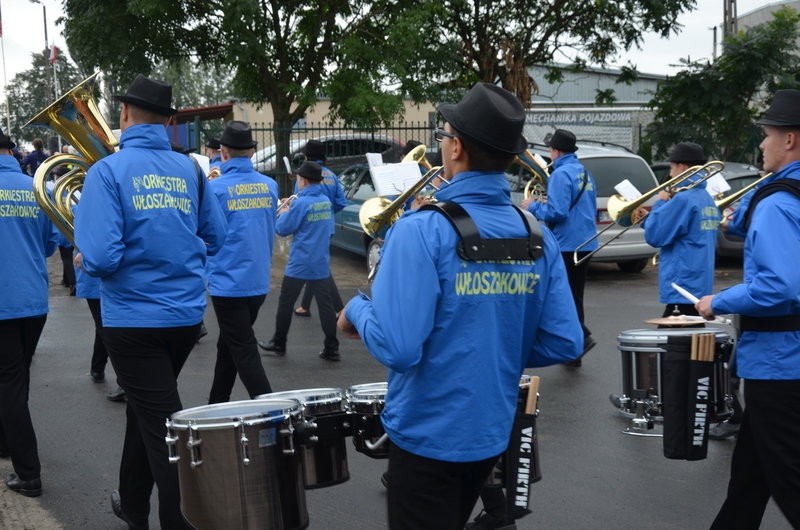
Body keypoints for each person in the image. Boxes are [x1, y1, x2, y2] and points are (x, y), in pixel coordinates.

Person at [337, 82, 582, 529]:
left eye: (444, 135)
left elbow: (400, 348)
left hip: (427, 435)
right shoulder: (536, 235)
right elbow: (565, 340)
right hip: (491, 431)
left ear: (457, 149)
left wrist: (356, 310)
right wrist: (491, 349)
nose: (443, 143)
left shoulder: (419, 230)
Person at [74, 74, 227, 529]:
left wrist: (83, 257)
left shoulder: (107, 171)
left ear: (123, 115)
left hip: (132, 322)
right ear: (170, 121)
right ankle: (135, 508)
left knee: (167, 437)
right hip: (184, 318)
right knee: (146, 413)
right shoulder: (190, 169)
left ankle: (181, 520)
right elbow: (215, 237)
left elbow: (101, 257)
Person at [697, 89, 800, 529]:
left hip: (781, 362)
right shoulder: (782, 196)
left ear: (791, 140)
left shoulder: (779, 203)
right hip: (787, 358)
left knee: (789, 481)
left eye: (767, 135)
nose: (761, 144)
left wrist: (716, 301)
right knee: (750, 477)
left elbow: (778, 285)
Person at [0, 128, 58, 498]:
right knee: (16, 378)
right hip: (34, 301)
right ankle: (7, 442)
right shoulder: (36, 187)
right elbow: (52, 245)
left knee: (9, 384)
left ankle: (29, 473)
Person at [206, 121, 277, 403]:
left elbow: (206, 234)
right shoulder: (269, 185)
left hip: (228, 283)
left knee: (243, 350)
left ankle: (276, 415)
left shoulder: (215, 189)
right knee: (230, 347)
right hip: (257, 282)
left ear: (222, 153)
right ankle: (216, 403)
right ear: (251, 152)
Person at [521, 128, 597, 366]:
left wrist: (532, 206)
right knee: (576, 295)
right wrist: (546, 202)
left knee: (565, 296)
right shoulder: (584, 173)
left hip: (566, 243)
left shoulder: (560, 174)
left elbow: (558, 213)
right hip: (586, 241)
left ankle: (581, 339)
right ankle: (575, 352)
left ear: (554, 151)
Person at [259, 161, 340, 361]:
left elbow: (282, 229)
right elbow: (329, 230)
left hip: (300, 262)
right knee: (326, 306)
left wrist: (286, 212)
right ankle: (332, 348)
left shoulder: (301, 203)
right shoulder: (325, 202)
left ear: (302, 181)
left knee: (285, 303)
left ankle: (279, 343)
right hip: (320, 262)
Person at [643, 142, 720, 317]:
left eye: (672, 167)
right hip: (699, 282)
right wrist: (648, 219)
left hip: (681, 284)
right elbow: (679, 231)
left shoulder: (683, 199)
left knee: (674, 341)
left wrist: (660, 202)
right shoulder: (705, 197)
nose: (670, 174)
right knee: (694, 340)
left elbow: (654, 236)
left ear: (682, 167)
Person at [292, 139, 346, 319]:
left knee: (320, 267)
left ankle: (340, 309)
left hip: (308, 228)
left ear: (306, 156)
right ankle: (305, 306)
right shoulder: (331, 175)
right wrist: (329, 212)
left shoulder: (304, 175)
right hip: (326, 227)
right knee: (315, 264)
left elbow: (297, 202)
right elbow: (341, 202)